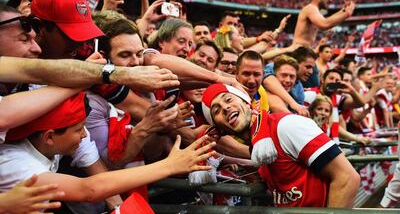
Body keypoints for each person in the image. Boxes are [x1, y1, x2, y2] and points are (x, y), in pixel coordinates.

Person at [0, 92, 215, 205]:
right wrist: (168, 166)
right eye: (79, 129)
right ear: (49, 137)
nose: (84, 135)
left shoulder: (50, 144)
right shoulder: (19, 165)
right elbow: (89, 190)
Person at [201, 83, 360, 207]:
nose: (226, 108)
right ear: (220, 129)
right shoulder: (259, 148)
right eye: (216, 110)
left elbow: (347, 178)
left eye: (228, 99)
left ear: (246, 101)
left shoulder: (286, 126)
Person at [293, 0, 357, 47]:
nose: (331, 0)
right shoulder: (310, 8)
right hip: (298, 52)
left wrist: (344, 10)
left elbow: (328, 19)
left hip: (303, 51)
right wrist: (346, 13)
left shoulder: (317, 11)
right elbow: (324, 24)